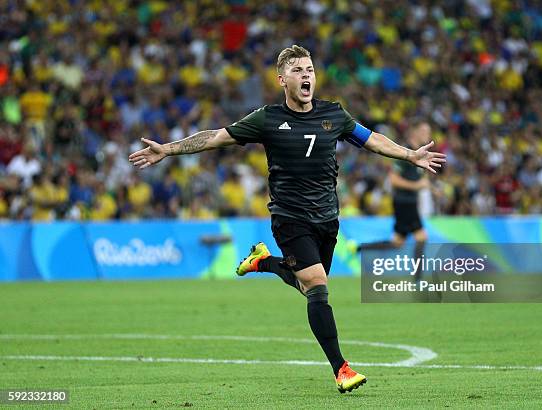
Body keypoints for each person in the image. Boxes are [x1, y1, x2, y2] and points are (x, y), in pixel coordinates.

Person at [129, 45, 446, 393]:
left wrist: (409, 154)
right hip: (289, 217)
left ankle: (264, 262)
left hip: (327, 217)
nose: (306, 75)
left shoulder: (334, 115)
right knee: (317, 285)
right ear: (282, 80)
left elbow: (371, 140)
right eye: (297, 70)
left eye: (309, 69)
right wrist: (169, 149)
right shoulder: (267, 119)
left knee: (308, 284)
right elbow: (216, 137)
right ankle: (341, 369)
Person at [358, 119, 432, 281]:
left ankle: (361, 248)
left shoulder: (419, 152)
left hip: (408, 202)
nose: (428, 135)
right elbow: (393, 180)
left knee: (397, 242)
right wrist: (418, 185)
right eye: (425, 131)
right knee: (421, 237)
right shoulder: (405, 152)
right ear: (415, 131)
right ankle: (418, 279)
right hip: (403, 202)